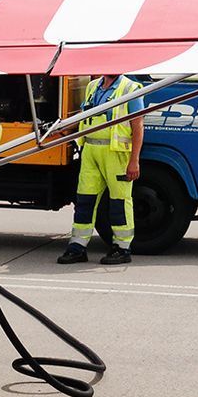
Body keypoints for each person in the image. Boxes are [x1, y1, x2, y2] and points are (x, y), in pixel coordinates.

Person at [58, 72, 146, 266]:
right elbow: (85, 114)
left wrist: (134, 161)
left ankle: (122, 248)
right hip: (90, 150)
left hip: (116, 154)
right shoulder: (93, 87)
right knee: (84, 201)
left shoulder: (131, 89)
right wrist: (64, 127)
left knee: (119, 202)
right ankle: (78, 246)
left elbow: (138, 125)